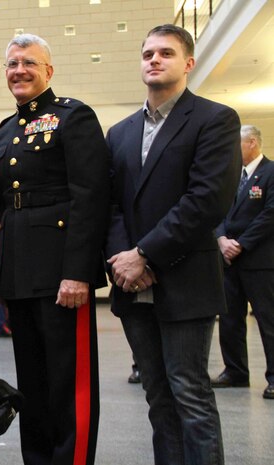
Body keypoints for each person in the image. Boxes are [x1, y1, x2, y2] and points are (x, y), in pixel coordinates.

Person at [105, 24, 240, 465]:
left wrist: (144, 254)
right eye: (147, 53)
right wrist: (127, 260)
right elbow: (113, 206)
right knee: (158, 397)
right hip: (132, 284)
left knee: (190, 394)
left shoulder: (214, 119)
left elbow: (207, 200)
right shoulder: (120, 133)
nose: (154, 60)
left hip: (185, 279)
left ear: (188, 63)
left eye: (166, 52)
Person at [0, 33, 109, 465]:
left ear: (49, 71)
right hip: (19, 272)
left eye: (29, 63)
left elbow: (91, 196)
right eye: (12, 64)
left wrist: (78, 271)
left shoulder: (72, 116)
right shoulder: (6, 131)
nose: (19, 70)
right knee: (32, 385)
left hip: (62, 271)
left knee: (68, 382)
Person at [213, 124, 274, 400]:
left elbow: (270, 214)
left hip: (259, 260)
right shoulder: (230, 176)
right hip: (228, 260)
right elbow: (216, 210)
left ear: (252, 142)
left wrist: (242, 243)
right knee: (229, 319)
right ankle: (235, 371)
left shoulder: (271, 172)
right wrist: (222, 239)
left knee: (268, 320)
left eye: (236, 144)